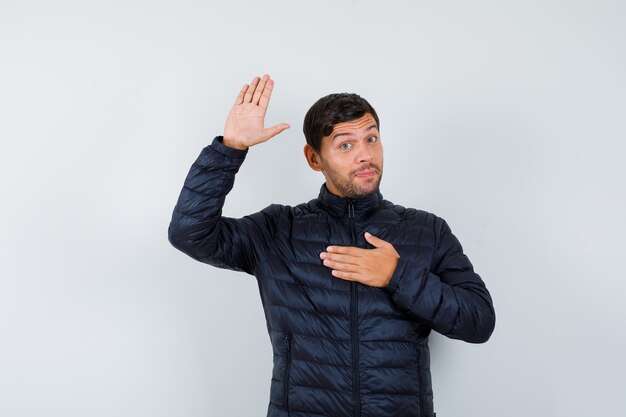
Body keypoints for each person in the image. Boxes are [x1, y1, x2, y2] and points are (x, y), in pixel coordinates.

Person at [168, 74, 495, 417]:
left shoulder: (426, 231)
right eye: (345, 145)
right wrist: (230, 148)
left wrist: (396, 275)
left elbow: (479, 321)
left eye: (371, 139)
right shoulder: (278, 231)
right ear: (314, 159)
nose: (365, 155)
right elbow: (189, 233)